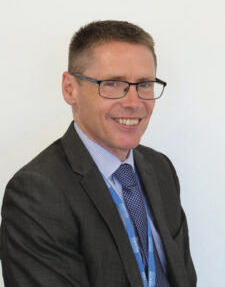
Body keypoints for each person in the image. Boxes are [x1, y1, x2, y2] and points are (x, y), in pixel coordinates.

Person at [0, 20, 197, 287]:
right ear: (70, 88)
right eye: (113, 84)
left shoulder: (160, 169)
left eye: (145, 84)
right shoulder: (37, 192)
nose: (134, 102)